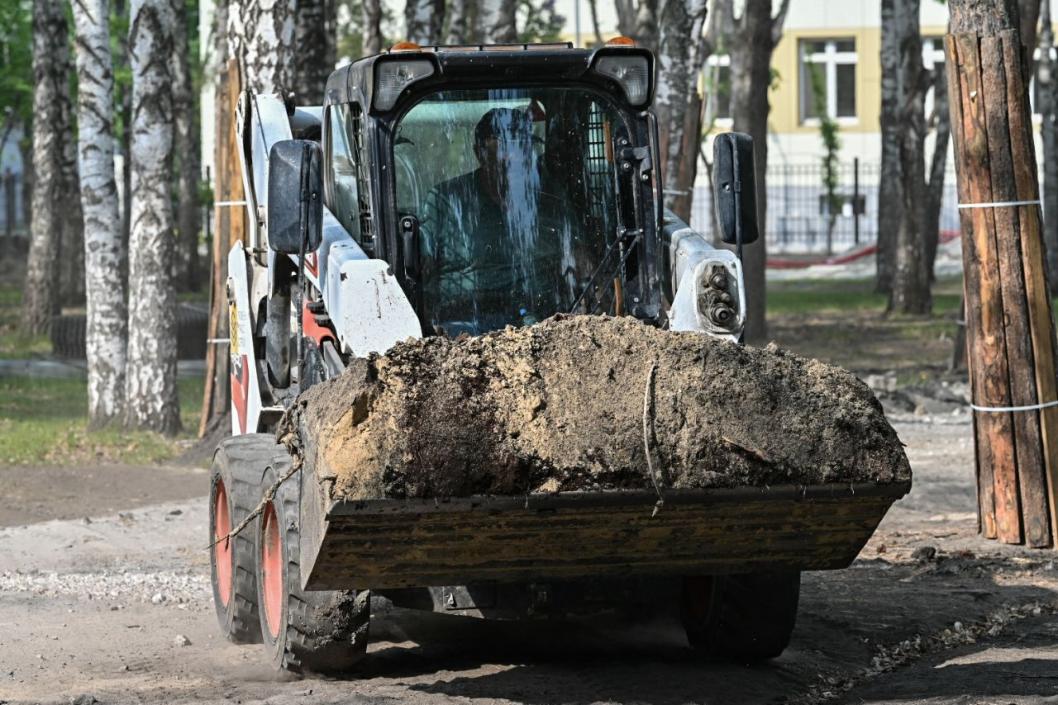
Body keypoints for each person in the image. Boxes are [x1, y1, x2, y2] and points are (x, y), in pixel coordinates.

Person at [419, 107, 571, 334]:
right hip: (466, 323)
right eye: (505, 145)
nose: (516, 155)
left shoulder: (549, 198)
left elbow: (581, 259)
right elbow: (421, 271)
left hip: (545, 320)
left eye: (522, 144)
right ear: (479, 152)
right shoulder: (446, 201)